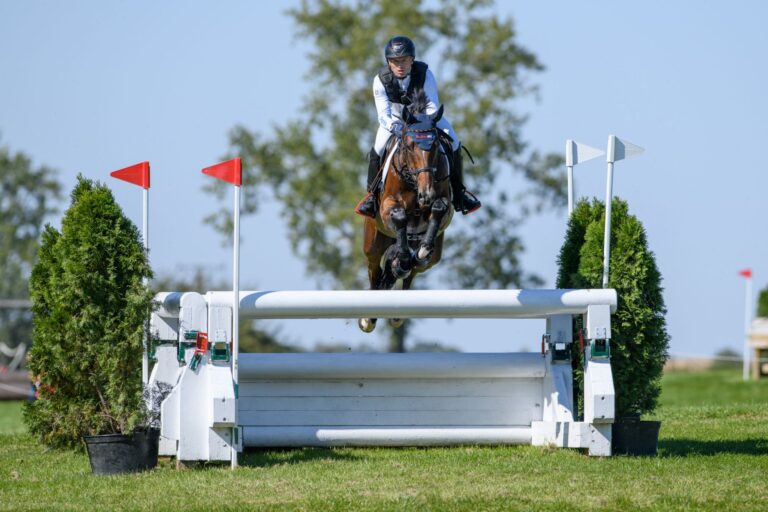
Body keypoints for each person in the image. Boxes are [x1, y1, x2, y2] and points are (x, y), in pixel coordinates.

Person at [355, 36, 481, 218]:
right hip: (395, 121)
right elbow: (383, 114)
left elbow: (432, 105)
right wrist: (396, 126)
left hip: (425, 119)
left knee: (453, 141)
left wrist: (426, 121)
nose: (400, 65)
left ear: (412, 60)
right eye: (395, 61)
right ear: (388, 62)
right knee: (379, 147)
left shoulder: (425, 73)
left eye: (404, 60)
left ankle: (459, 193)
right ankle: (372, 197)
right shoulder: (380, 80)